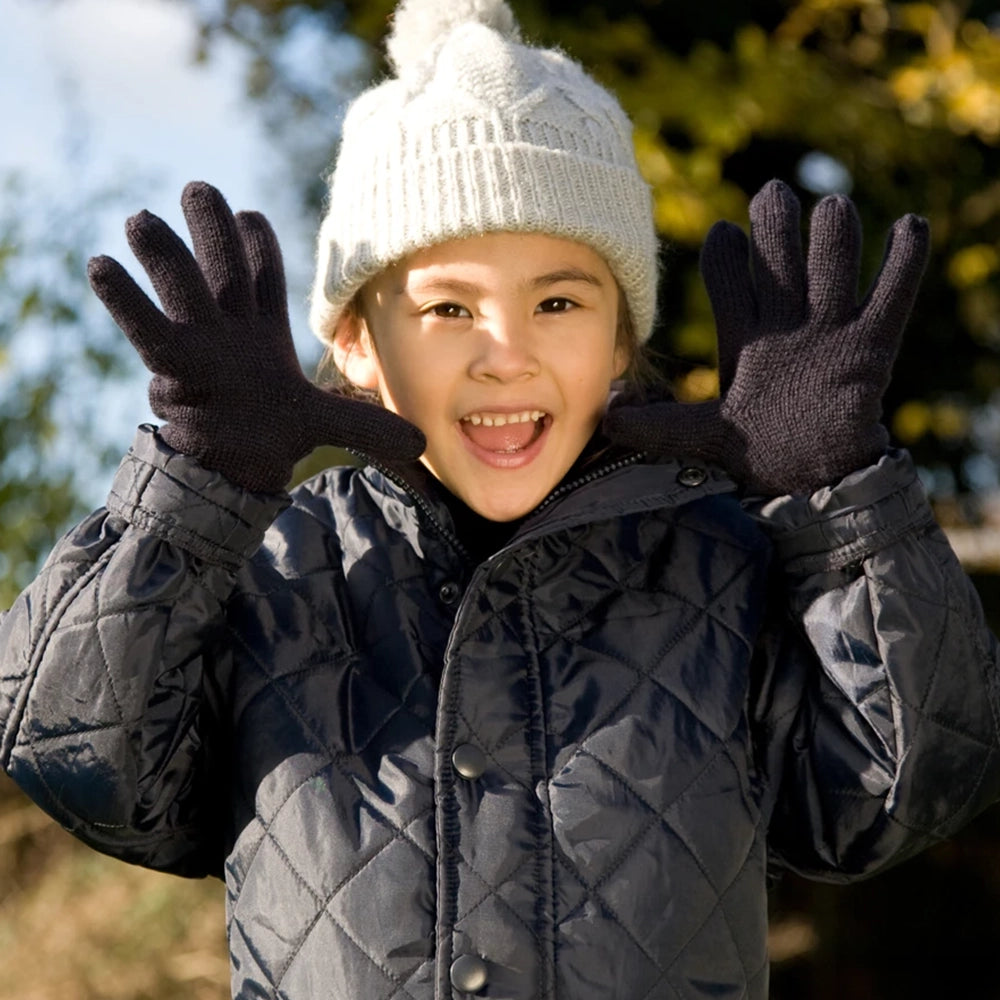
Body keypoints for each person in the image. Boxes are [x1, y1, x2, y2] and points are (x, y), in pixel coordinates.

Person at [1, 0, 998, 997]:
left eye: (557, 301)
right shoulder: (273, 566)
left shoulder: (721, 559)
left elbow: (903, 788)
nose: (506, 354)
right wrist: (196, 489)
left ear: (620, 339)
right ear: (354, 342)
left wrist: (838, 502)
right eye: (447, 307)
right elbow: (84, 756)